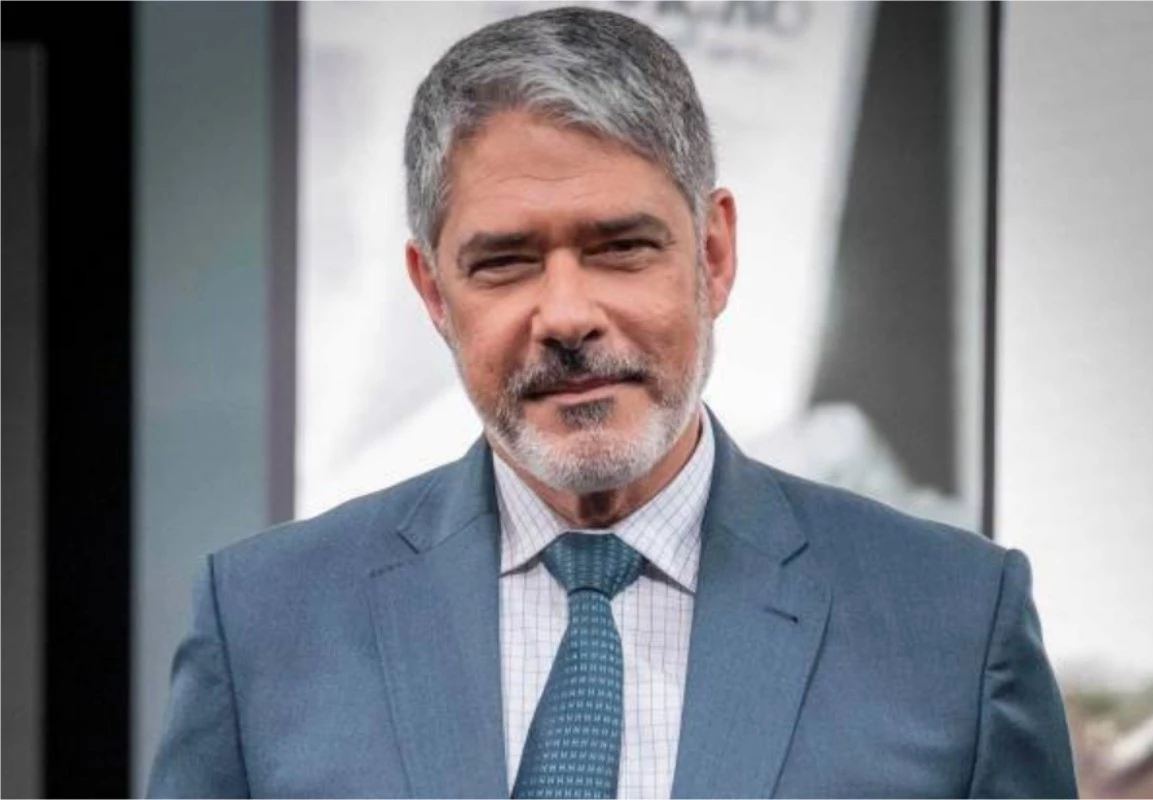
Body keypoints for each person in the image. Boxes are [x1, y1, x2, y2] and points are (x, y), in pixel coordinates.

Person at [147, 7, 1077, 798]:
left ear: (713, 255)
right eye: (504, 261)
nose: (566, 316)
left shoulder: (954, 623)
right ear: (433, 291)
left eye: (621, 247)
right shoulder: (264, 622)